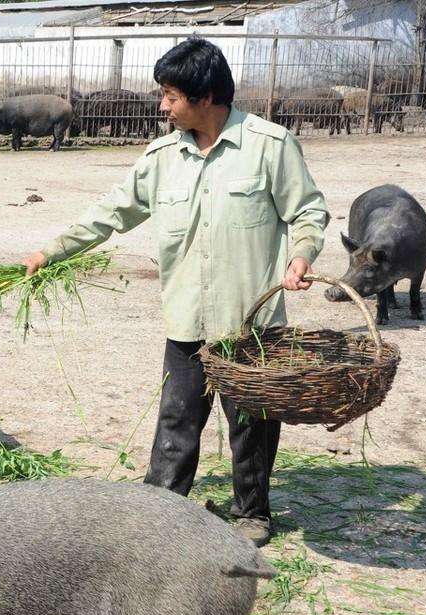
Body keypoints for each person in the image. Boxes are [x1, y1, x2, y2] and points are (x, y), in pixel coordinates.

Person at [23, 38, 329, 547]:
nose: (162, 106)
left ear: (203, 95)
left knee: (252, 423)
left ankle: (251, 512)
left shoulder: (269, 147)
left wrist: (302, 254)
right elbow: (113, 211)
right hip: (186, 317)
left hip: (251, 324)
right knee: (177, 419)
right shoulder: (162, 157)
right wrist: (51, 251)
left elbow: (308, 211)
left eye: (170, 95)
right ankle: (159, 509)